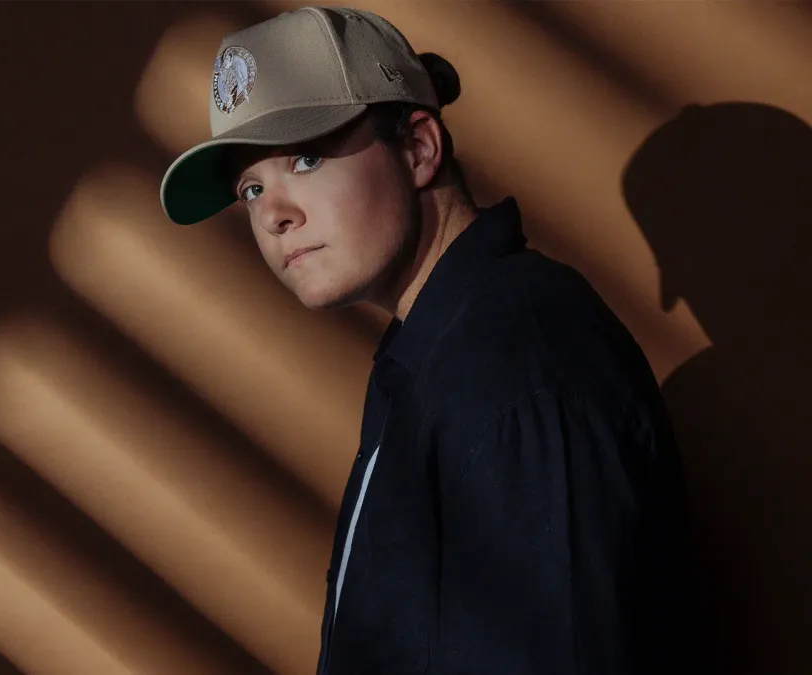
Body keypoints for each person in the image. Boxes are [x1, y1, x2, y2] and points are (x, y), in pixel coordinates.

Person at [160, 6, 693, 675]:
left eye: (307, 157)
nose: (273, 215)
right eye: (251, 188)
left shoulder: (515, 358)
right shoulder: (432, 350)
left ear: (418, 148)